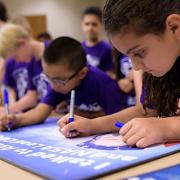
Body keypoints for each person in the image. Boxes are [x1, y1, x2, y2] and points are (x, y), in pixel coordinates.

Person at [59, 0, 180, 148]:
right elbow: (145, 111)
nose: (135, 67)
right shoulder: (160, 68)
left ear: (174, 27)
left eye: (139, 53)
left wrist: (166, 127)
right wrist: (91, 125)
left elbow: (156, 121)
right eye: (128, 56)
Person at [0, 36, 125, 131]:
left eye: (59, 80)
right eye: (47, 77)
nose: (53, 86)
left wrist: (84, 116)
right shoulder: (58, 82)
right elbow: (39, 113)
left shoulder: (102, 83)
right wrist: (15, 120)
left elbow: (117, 118)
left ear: (82, 73)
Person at [0, 23, 49, 113]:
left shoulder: (53, 51)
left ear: (22, 43)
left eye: (15, 57)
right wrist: (7, 111)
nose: (17, 61)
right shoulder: (31, 62)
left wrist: (7, 111)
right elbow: (32, 96)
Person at [81, 6, 114, 78]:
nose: (90, 28)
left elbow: (110, 76)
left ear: (101, 26)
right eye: (87, 24)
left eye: (94, 24)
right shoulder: (79, 48)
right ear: (82, 25)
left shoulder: (108, 49)